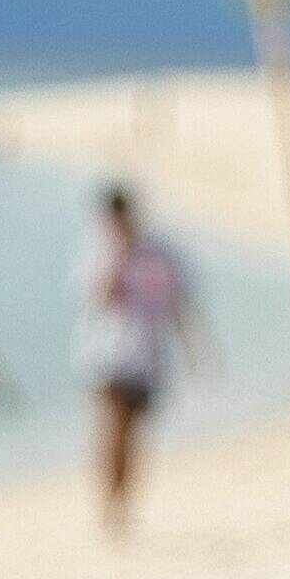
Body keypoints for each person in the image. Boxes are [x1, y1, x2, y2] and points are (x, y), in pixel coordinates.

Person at [73, 184, 207, 539]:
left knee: (133, 433)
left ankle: (121, 503)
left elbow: (178, 302)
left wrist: (194, 348)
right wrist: (118, 256)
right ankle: (109, 502)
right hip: (106, 355)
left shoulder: (159, 252)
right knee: (113, 428)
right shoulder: (97, 252)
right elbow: (100, 296)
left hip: (146, 356)